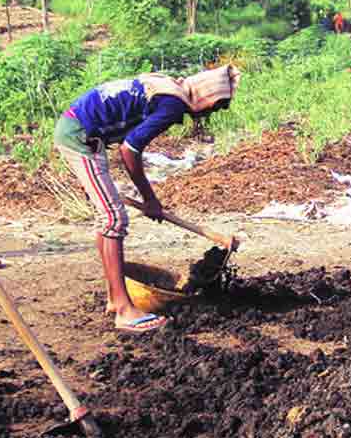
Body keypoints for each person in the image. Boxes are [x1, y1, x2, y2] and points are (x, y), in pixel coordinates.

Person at [53, 65, 241, 333]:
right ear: (207, 98)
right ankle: (123, 309)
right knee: (113, 218)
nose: (210, 114)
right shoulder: (174, 104)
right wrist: (150, 199)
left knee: (107, 217)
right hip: (79, 136)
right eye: (215, 107)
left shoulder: (169, 87)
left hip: (82, 132)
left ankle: (113, 298)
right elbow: (130, 150)